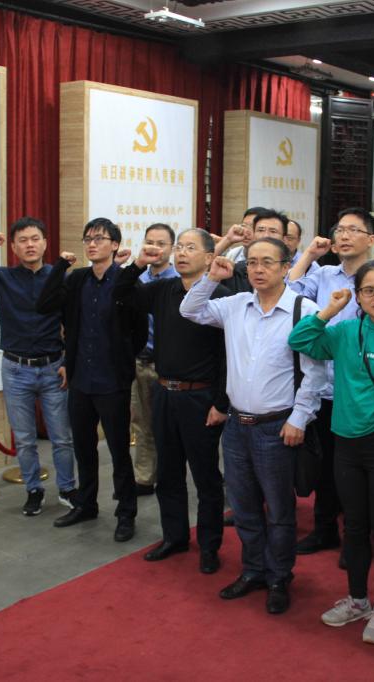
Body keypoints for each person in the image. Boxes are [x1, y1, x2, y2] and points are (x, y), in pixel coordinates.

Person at [180, 238, 327, 615]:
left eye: (267, 262)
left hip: (276, 427)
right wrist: (212, 278)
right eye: (252, 262)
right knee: (244, 506)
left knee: (278, 510)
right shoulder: (235, 305)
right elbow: (190, 309)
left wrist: (299, 418)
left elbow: (315, 373)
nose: (258, 269)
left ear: (286, 267)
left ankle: (279, 577)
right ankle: (253, 570)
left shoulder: (303, 309)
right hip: (236, 425)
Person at [289, 261, 374, 644]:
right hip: (345, 444)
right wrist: (330, 309)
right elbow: (300, 340)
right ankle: (358, 599)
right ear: (358, 296)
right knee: (354, 528)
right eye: (368, 291)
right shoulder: (347, 330)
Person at [287, 208, 374, 558]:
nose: (344, 235)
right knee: (329, 472)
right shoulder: (323, 274)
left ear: (371, 239)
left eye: (353, 230)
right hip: (328, 389)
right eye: (339, 229)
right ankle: (328, 531)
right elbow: (290, 292)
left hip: (373, 397)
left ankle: (369, 540)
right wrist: (309, 255)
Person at [115, 229, 230, 574]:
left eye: (190, 248)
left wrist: (221, 402)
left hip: (201, 396)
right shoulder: (163, 289)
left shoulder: (222, 296)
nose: (181, 253)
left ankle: (209, 545)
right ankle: (175, 537)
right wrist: (137, 264)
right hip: (164, 392)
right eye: (179, 247)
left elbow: (228, 356)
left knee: (206, 476)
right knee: (168, 472)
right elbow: (121, 295)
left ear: (209, 258)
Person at [0, 217, 75, 517]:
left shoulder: (59, 277)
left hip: (53, 367)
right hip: (16, 369)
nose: (30, 245)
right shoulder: (2, 278)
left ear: (45, 243)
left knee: (62, 438)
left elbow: (74, 324)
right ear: (13, 247)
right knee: (24, 439)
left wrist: (68, 361)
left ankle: (67, 488)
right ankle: (33, 490)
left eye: (35, 239)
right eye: (23, 240)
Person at [37, 218, 147, 541]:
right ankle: (86, 504)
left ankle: (126, 513)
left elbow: (139, 331)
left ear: (115, 245)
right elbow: (43, 305)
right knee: (84, 448)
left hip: (112, 382)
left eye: (99, 238)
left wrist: (122, 361)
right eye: (88, 238)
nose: (92, 244)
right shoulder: (77, 279)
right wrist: (60, 266)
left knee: (118, 451)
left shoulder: (126, 282)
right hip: (81, 380)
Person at [130, 223, 180, 497]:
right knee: (142, 423)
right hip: (139, 361)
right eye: (150, 242)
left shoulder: (179, 280)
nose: (155, 248)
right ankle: (144, 477)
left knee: (167, 425)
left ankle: (168, 475)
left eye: (161, 243)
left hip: (167, 365)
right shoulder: (137, 278)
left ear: (171, 248)